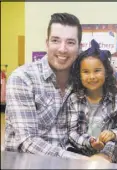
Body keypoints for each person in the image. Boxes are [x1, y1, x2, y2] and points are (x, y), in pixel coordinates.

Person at [4, 13, 88, 159]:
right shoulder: (23, 78)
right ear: (47, 43)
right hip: (27, 163)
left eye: (70, 42)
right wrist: (81, 160)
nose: (62, 49)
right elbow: (27, 142)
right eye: (56, 40)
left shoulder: (82, 80)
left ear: (79, 47)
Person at [67, 39, 117, 163]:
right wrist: (90, 142)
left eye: (97, 71)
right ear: (79, 75)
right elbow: (72, 133)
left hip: (109, 156)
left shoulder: (116, 101)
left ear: (106, 72)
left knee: (109, 150)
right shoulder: (74, 99)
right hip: (79, 155)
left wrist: (113, 134)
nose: (91, 76)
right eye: (86, 72)